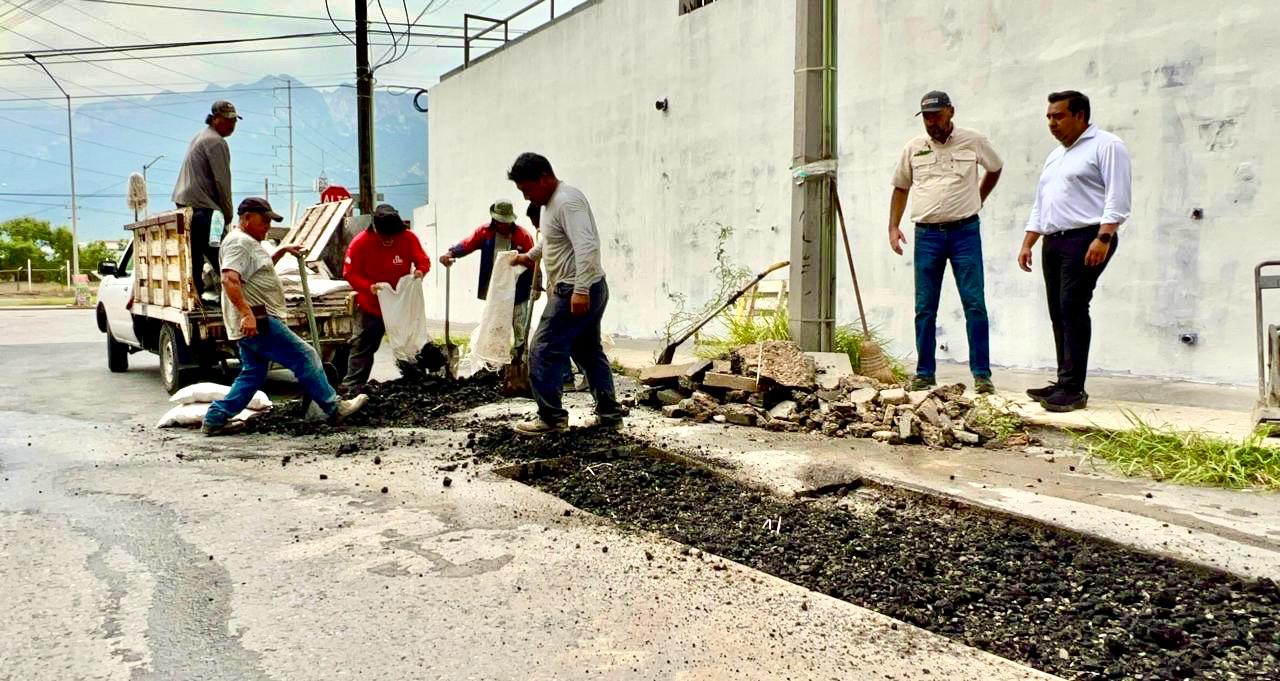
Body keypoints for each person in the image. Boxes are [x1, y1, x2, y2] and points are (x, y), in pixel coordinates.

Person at [202, 198, 367, 436]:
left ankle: (215, 418)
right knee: (305, 356)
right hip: (259, 320)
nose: (268, 226)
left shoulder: (247, 242)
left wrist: (279, 253)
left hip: (255, 320)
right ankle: (334, 407)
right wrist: (247, 314)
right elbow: (230, 279)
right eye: (264, 220)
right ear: (247, 218)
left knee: (253, 373)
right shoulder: (239, 242)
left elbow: (255, 270)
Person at [1018, 90, 1131, 413]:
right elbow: (1042, 204)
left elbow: (1118, 196)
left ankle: (1074, 388)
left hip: (1088, 238)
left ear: (1080, 115)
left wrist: (1105, 237)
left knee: (1073, 306)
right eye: (1049, 117)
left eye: (1059, 116)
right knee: (1058, 310)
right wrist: (1029, 241)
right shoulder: (1056, 156)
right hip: (1054, 240)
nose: (1052, 123)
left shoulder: (1106, 145)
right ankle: (1064, 380)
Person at [888, 90, 1003, 394]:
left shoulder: (973, 140)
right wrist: (893, 227)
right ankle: (925, 372)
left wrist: (979, 197)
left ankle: (982, 374)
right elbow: (901, 187)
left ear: (951, 112)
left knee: (974, 302)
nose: (931, 122)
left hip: (965, 233)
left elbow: (995, 167)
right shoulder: (914, 148)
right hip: (926, 236)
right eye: (926, 117)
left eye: (936, 115)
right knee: (925, 306)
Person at [508, 153, 622, 434]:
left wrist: (581, 290)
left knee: (543, 350)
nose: (526, 197)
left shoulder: (567, 201)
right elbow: (552, 239)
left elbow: (586, 246)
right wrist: (530, 257)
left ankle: (550, 417)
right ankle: (609, 414)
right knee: (587, 351)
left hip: (575, 289)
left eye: (528, 189)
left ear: (544, 178)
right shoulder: (548, 204)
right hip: (582, 287)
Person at [341, 204, 431, 391]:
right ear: (376, 229)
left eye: (394, 235)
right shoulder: (360, 243)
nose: (390, 240)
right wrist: (368, 287)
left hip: (401, 306)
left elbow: (423, 260)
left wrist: (421, 271)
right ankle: (352, 388)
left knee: (410, 344)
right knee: (363, 347)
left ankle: (418, 384)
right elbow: (350, 273)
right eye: (386, 236)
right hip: (371, 306)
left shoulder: (408, 238)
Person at [439, 200, 536, 364]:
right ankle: (495, 358)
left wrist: (537, 285)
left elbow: (534, 261)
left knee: (519, 324)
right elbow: (467, 244)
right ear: (495, 220)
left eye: (506, 222)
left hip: (518, 289)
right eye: (500, 222)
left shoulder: (523, 236)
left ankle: (520, 357)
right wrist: (451, 253)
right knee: (495, 323)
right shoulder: (484, 233)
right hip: (494, 289)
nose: (503, 225)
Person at [173, 100, 238, 301]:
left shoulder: (200, 136)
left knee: (195, 258)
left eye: (234, 121)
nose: (232, 125)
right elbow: (222, 181)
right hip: (206, 211)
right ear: (215, 119)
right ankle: (240, 300)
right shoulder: (216, 142)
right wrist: (227, 214)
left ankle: (197, 297)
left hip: (187, 205)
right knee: (224, 258)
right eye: (228, 121)